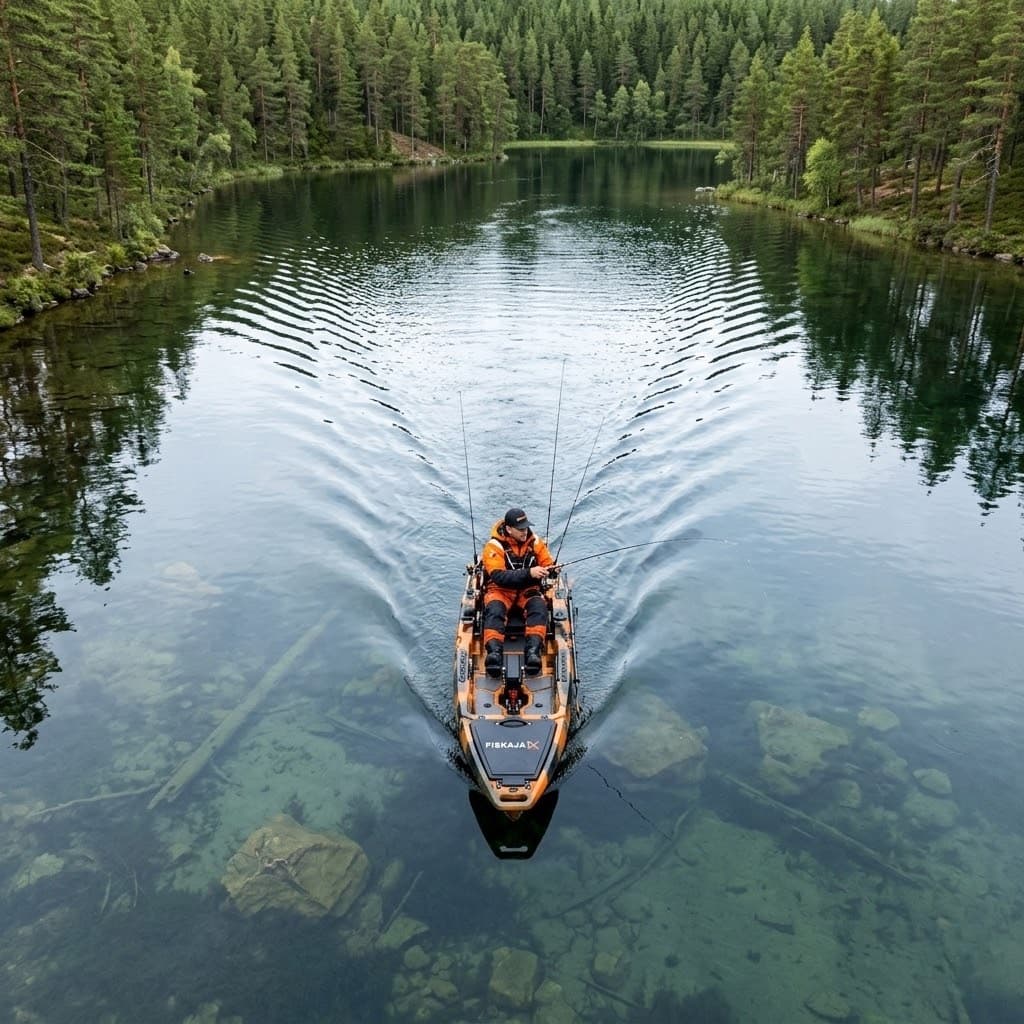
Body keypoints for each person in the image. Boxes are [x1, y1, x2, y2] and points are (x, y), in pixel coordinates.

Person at [480, 508, 557, 678]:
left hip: (528, 590)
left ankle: (533, 652)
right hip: (500, 590)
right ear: (508, 529)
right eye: (521, 529)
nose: (525, 531)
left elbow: (547, 562)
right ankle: (493, 654)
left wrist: (550, 570)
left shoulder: (536, 542)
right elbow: (498, 576)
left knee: (539, 607)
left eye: (526, 527)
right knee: (494, 610)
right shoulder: (494, 547)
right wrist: (530, 573)